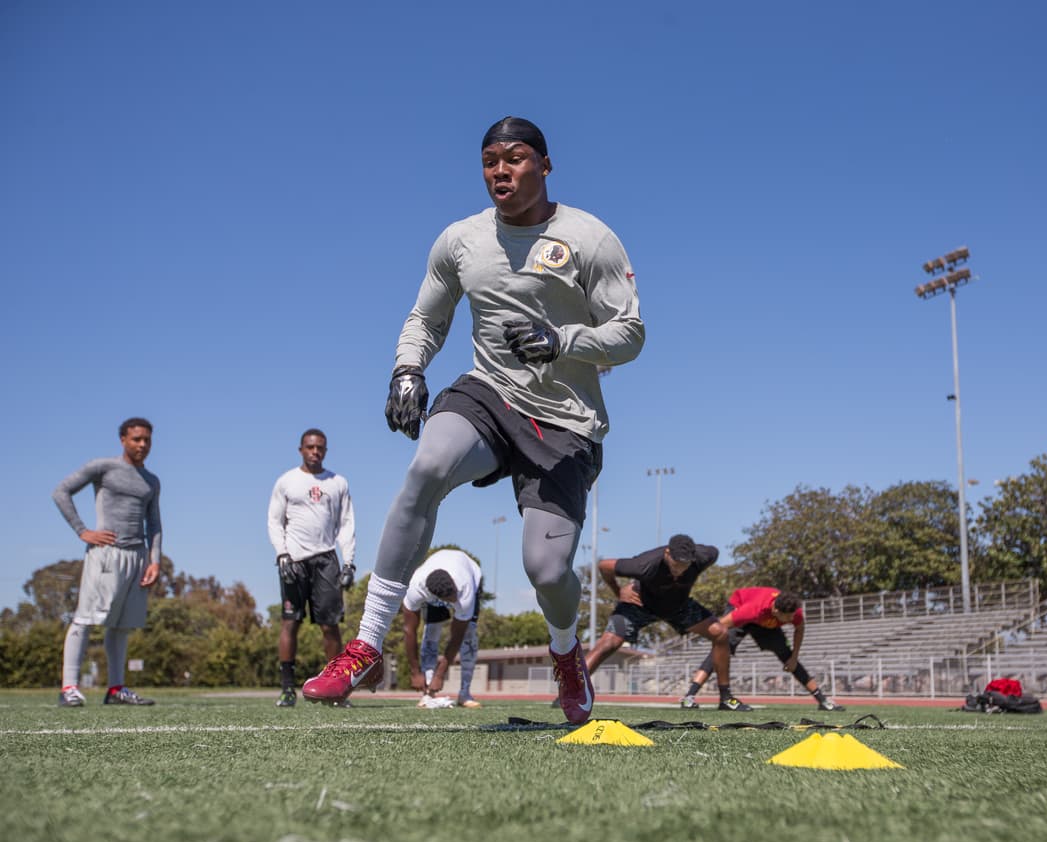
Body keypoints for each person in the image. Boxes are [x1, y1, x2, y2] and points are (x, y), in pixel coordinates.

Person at [303, 117, 644, 725]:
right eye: (490, 160)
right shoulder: (460, 239)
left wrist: (562, 339)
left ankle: (567, 655)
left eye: (514, 158)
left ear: (544, 164)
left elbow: (629, 334)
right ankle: (366, 647)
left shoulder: (590, 238)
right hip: (489, 393)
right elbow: (425, 319)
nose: (500, 171)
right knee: (427, 467)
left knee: (546, 570)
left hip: (564, 423)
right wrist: (407, 369)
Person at [52, 417, 162, 707]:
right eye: (137, 439)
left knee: (122, 625)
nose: (142, 445)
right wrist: (83, 531)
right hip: (105, 554)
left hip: (137, 556)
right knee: (85, 618)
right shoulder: (103, 467)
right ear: (123, 440)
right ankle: (69, 687)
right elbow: (61, 492)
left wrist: (155, 560)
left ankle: (116, 689)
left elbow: (154, 522)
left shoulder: (151, 481)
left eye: (147, 440)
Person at [577, 534, 744, 710]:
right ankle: (572, 692)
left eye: (684, 566)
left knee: (720, 633)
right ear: (667, 553)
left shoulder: (704, 557)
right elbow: (604, 566)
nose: (679, 570)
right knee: (609, 643)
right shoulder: (644, 565)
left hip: (678, 607)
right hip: (640, 604)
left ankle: (726, 698)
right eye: (676, 564)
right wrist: (618, 591)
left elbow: (714, 551)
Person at [267, 428, 357, 707]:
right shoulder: (286, 481)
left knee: (330, 627)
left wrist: (349, 561)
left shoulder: (338, 482)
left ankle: (335, 689)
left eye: (320, 448)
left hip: (326, 560)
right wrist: (282, 554)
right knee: (289, 622)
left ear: (325, 451)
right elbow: (274, 521)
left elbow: (346, 524)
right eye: (310, 447)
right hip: (293, 561)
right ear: (301, 450)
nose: (315, 452)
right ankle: (287, 689)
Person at [681, 587, 845, 712]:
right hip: (740, 605)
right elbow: (720, 626)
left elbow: (799, 629)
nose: (791, 620)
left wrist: (794, 657)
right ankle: (689, 697)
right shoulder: (752, 609)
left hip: (765, 623)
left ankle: (823, 701)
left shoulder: (794, 611)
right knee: (722, 647)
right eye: (787, 618)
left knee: (787, 655)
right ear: (776, 611)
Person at [402, 547, 483, 709]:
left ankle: (465, 693)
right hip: (433, 582)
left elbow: (456, 636)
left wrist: (441, 674)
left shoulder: (464, 589)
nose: (454, 601)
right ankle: (428, 693)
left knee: (469, 634)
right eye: (449, 599)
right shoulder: (415, 588)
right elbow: (409, 630)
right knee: (431, 630)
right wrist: (415, 672)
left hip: (470, 571)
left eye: (454, 596)